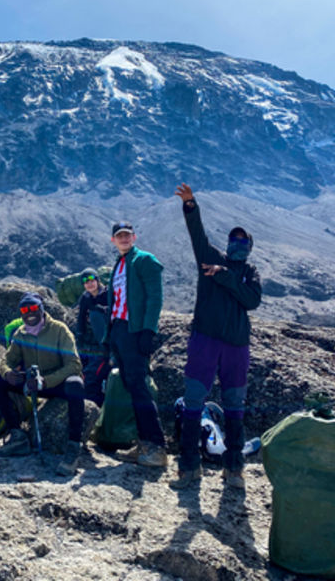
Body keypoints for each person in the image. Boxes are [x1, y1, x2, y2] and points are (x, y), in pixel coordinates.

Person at [172, 183, 262, 489]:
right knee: (194, 398)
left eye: (243, 239)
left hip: (236, 346)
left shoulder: (250, 272)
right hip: (205, 340)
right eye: (234, 238)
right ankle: (188, 467)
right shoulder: (209, 256)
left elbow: (251, 301)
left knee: (235, 401)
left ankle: (234, 468)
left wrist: (223, 276)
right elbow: (197, 235)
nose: (237, 242)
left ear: (249, 245)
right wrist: (190, 205)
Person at [0, 292, 85, 476]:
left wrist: (46, 381)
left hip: (56, 383)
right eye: (25, 310)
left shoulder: (59, 330)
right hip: (33, 383)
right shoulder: (21, 334)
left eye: (33, 308)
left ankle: (74, 446)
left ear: (41, 309)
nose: (29, 313)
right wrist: (8, 373)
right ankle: (17, 436)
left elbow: (74, 365)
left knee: (76, 384)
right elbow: (6, 360)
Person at [105, 222, 167, 467]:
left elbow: (155, 297)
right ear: (113, 240)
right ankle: (144, 443)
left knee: (139, 387)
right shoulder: (120, 263)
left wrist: (148, 331)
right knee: (132, 386)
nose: (123, 239)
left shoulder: (144, 260)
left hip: (135, 331)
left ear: (134, 237)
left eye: (127, 235)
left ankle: (157, 447)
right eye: (119, 236)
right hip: (120, 330)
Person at [76, 267, 109, 406]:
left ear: (97, 280)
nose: (89, 284)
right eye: (85, 281)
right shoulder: (85, 297)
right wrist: (79, 336)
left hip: (107, 340)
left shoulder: (108, 293)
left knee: (92, 375)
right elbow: (81, 318)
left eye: (91, 280)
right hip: (91, 341)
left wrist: (100, 310)